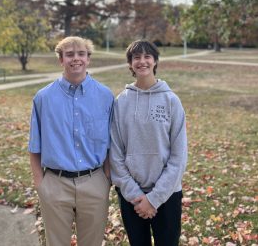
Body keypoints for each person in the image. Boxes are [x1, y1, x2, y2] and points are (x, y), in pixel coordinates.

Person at [28, 36, 113, 246]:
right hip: (55, 184)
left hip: (94, 182)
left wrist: (106, 179)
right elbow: (34, 145)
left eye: (81, 53)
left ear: (88, 58)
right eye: (70, 54)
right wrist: (41, 184)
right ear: (61, 60)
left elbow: (113, 143)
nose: (76, 59)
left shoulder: (106, 96)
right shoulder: (43, 98)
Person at [109, 40, 188, 246]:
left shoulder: (171, 100)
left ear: (155, 61)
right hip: (131, 195)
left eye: (147, 57)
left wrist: (154, 199)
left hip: (167, 193)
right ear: (130, 64)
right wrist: (135, 195)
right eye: (136, 57)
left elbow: (178, 156)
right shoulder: (121, 102)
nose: (142, 61)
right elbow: (115, 154)